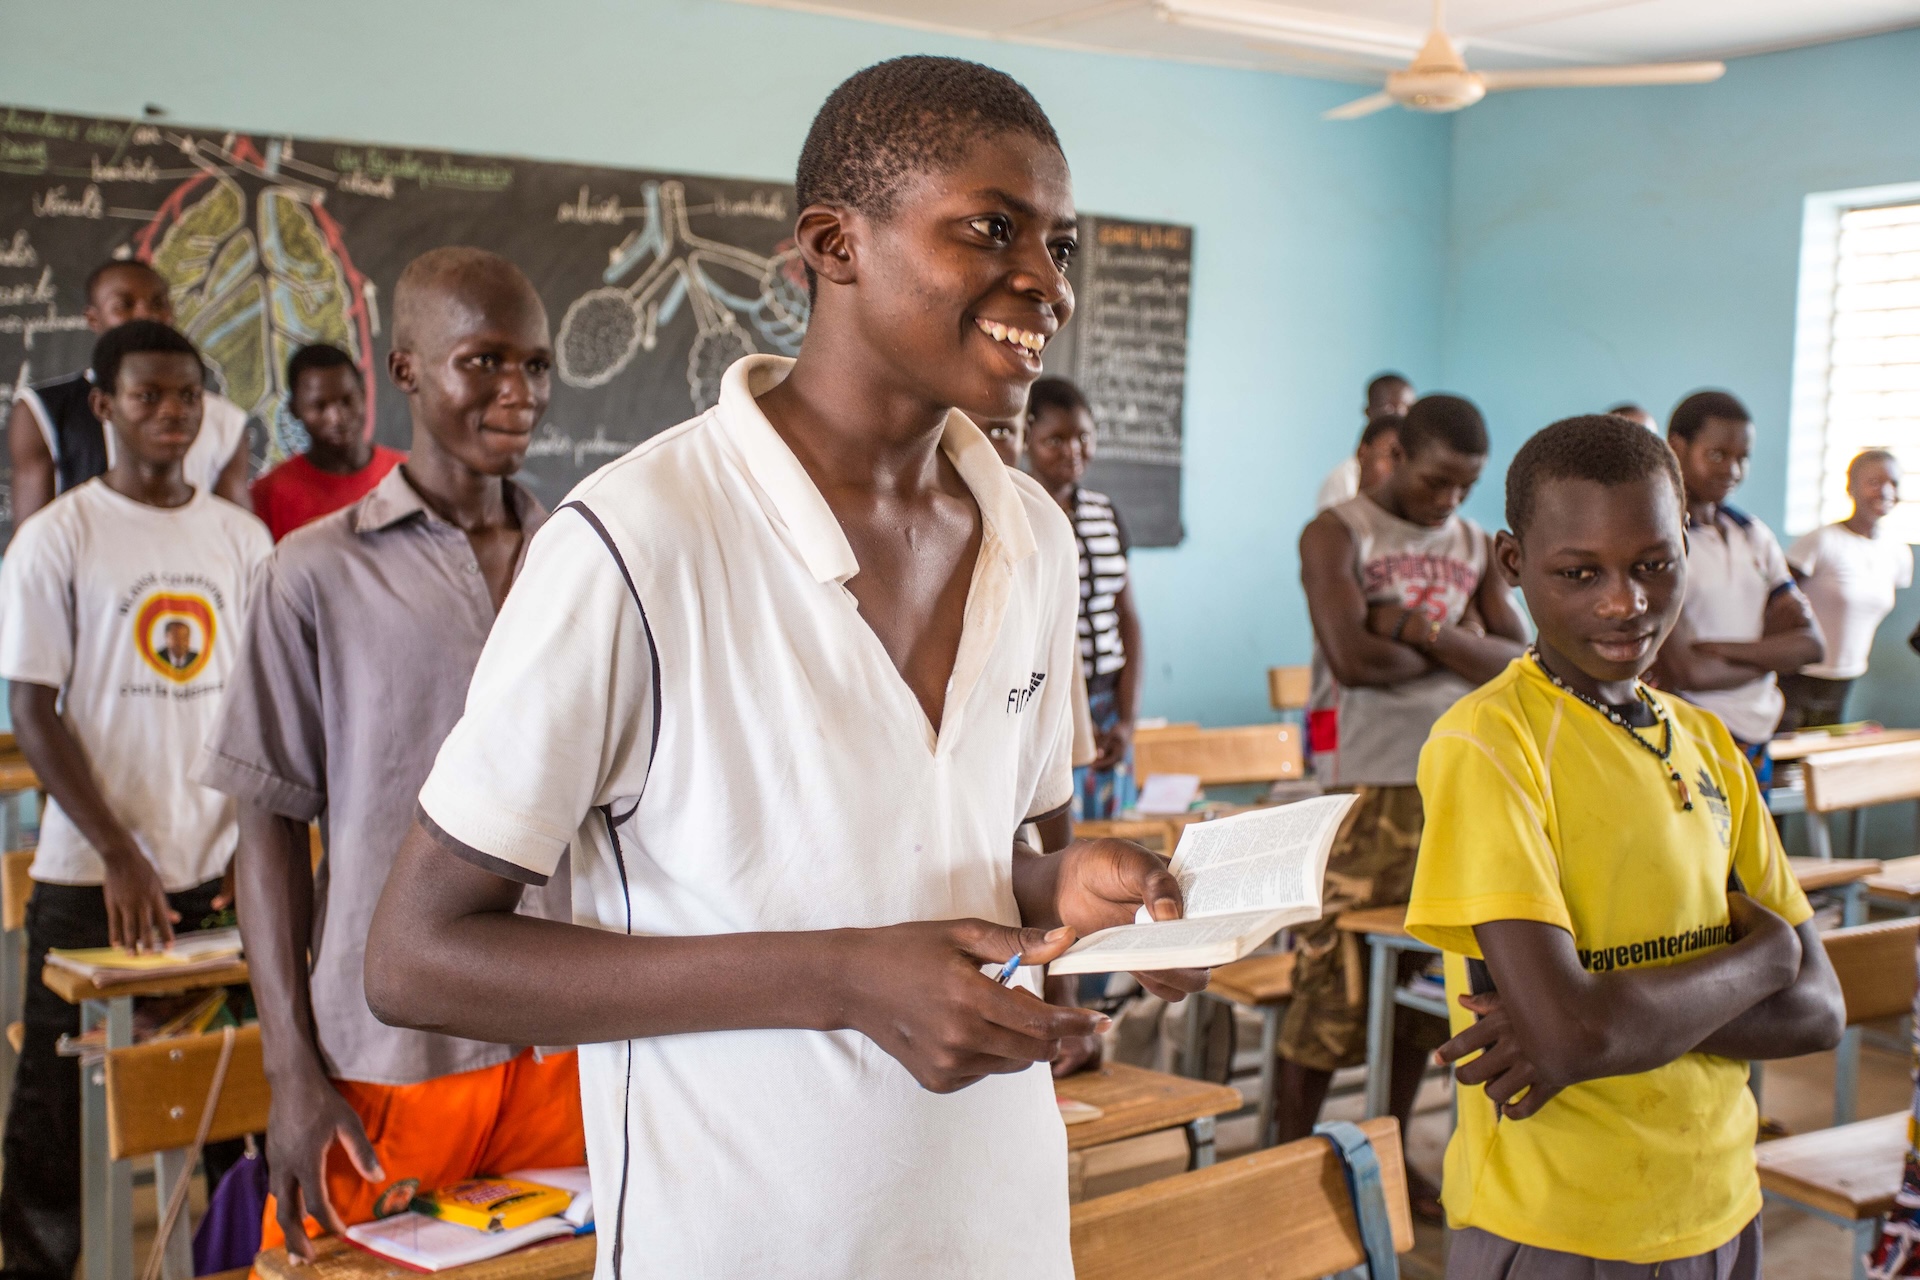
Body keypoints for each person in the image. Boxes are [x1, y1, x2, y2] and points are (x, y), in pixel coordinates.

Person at [360, 57, 1206, 1279]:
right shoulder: (635, 540)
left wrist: (1072, 890)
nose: (1045, 284)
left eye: (1060, 246)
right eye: (992, 229)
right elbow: (417, 953)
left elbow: (1001, 866)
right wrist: (841, 977)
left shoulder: (1033, 532)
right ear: (834, 243)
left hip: (999, 1236)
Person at [196, 249, 581, 1258]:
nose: (518, 393)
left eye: (536, 366)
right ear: (405, 372)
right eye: (484, 361)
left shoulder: (587, 561)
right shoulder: (312, 573)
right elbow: (268, 824)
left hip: (573, 1035)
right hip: (392, 1048)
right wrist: (290, 1068)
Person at [1408, 414, 1843, 1277]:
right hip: (1558, 1223)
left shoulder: (1710, 744)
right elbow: (1571, 1038)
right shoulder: (1491, 746)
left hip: (1720, 1199)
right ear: (1513, 566)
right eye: (1579, 573)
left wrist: (1615, 1021)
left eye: (1653, 564)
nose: (1625, 602)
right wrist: (1763, 958)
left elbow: (1820, 1011)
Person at [0, 320, 270, 1280]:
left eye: (187, 398)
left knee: (234, 1111)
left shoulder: (242, 538)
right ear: (102, 405)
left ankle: (232, 1262)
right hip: (93, 881)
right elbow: (33, 710)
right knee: (56, 1114)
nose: (171, 414)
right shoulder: (55, 538)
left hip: (221, 872)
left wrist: (253, 845)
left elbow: (260, 705)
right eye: (148, 396)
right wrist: (118, 851)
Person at [1286, 394, 1527, 1185]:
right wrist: (1460, 648)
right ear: (1394, 458)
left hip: (1452, 781)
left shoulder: (1471, 543)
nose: (1449, 501)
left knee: (1425, 984)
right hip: (1366, 780)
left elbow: (1513, 659)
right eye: (1435, 482)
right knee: (1335, 983)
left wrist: (1418, 630)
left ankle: (1385, 1166)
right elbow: (1353, 660)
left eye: (1465, 485)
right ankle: (1286, 1166)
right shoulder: (1339, 533)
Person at [1652, 391, 1823, 773]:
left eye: (1742, 458)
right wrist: (1774, 656)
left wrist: (1724, 651)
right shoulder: (1659, 541)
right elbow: (1687, 673)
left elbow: (1811, 645)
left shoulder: (1752, 534)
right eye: (1717, 454)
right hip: (1691, 735)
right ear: (1676, 447)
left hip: (1758, 735)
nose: (1732, 470)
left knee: (1754, 834)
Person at [8, 260, 252, 527]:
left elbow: (235, 532)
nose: (145, 315)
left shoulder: (224, 420)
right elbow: (31, 537)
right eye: (124, 305)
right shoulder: (43, 410)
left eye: (158, 303)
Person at [1026, 375, 1142, 819]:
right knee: (1060, 839)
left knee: (1115, 837)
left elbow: (1126, 617)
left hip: (1109, 702)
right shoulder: (1017, 511)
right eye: (1055, 439)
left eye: (1083, 437)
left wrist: (1125, 720)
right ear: (1026, 440)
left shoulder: (1104, 512)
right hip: (1048, 706)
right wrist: (1072, 717)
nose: (1073, 451)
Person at [1781, 448, 1911, 730]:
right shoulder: (1820, 542)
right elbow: (1773, 600)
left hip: (1845, 679)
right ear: (1850, 487)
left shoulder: (1898, 554)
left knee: (1825, 760)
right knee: (1788, 762)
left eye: (1893, 483)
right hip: (1799, 676)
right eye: (1873, 482)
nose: (1885, 491)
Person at [248, 343, 405, 542]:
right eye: (320, 406)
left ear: (363, 393)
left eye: (347, 400)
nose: (336, 418)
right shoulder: (266, 496)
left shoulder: (407, 475)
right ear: (294, 410)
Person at [1313, 371, 1413, 511]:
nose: (1400, 415)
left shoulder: (1414, 475)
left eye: (1409, 408)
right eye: (1390, 408)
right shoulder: (1342, 481)